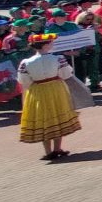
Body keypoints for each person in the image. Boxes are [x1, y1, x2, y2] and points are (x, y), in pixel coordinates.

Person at [16, 32, 85, 161]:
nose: (52, 44)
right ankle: (57, 148)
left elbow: (24, 81)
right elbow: (66, 74)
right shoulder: (58, 58)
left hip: (37, 90)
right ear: (45, 45)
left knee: (44, 119)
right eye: (50, 42)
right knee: (57, 116)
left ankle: (48, 151)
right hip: (55, 89)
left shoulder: (25, 62)